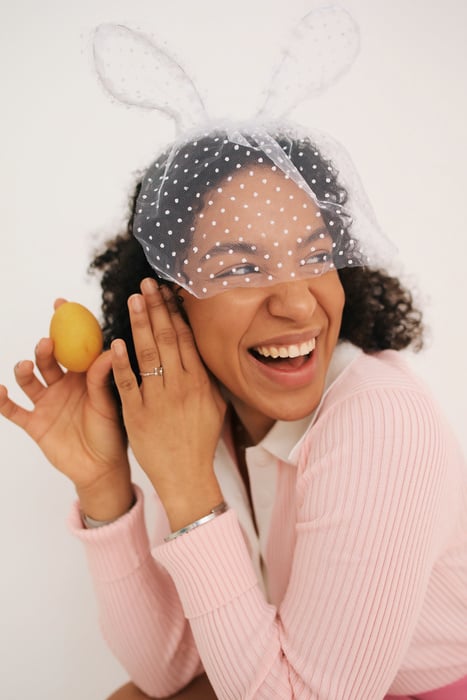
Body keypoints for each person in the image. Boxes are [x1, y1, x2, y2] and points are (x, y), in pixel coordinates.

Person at [1, 127, 466, 700]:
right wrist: (104, 489)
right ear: (168, 300)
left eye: (317, 256)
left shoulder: (382, 421)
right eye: (243, 270)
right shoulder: (202, 412)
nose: (298, 304)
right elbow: (166, 670)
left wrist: (187, 485)